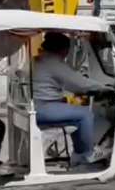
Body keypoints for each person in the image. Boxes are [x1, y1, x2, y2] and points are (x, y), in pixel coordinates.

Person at [33, 32, 110, 167]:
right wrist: (104, 88)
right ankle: (87, 154)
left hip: (38, 105)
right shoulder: (54, 63)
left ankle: (79, 154)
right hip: (43, 108)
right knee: (85, 114)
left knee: (76, 116)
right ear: (63, 50)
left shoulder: (40, 59)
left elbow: (70, 84)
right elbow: (79, 83)